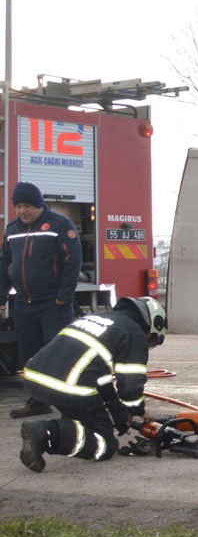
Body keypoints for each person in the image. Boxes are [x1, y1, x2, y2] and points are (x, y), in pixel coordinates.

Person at [18, 296, 165, 472]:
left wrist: (118, 413)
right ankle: (46, 432)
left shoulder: (96, 319)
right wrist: (136, 411)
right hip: (68, 387)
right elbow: (130, 385)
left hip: (34, 378)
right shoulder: (134, 333)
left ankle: (59, 429)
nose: (148, 343)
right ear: (152, 324)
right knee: (105, 445)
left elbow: (100, 378)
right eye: (152, 339)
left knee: (82, 418)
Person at [1, 181, 83, 419]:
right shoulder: (13, 229)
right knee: (30, 355)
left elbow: (72, 261)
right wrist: (1, 296)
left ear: (38, 205)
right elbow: (5, 264)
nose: (22, 211)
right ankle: (38, 400)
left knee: (59, 354)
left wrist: (63, 297)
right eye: (18, 206)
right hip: (24, 304)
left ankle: (72, 403)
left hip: (53, 305)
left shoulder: (59, 225)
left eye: (27, 206)